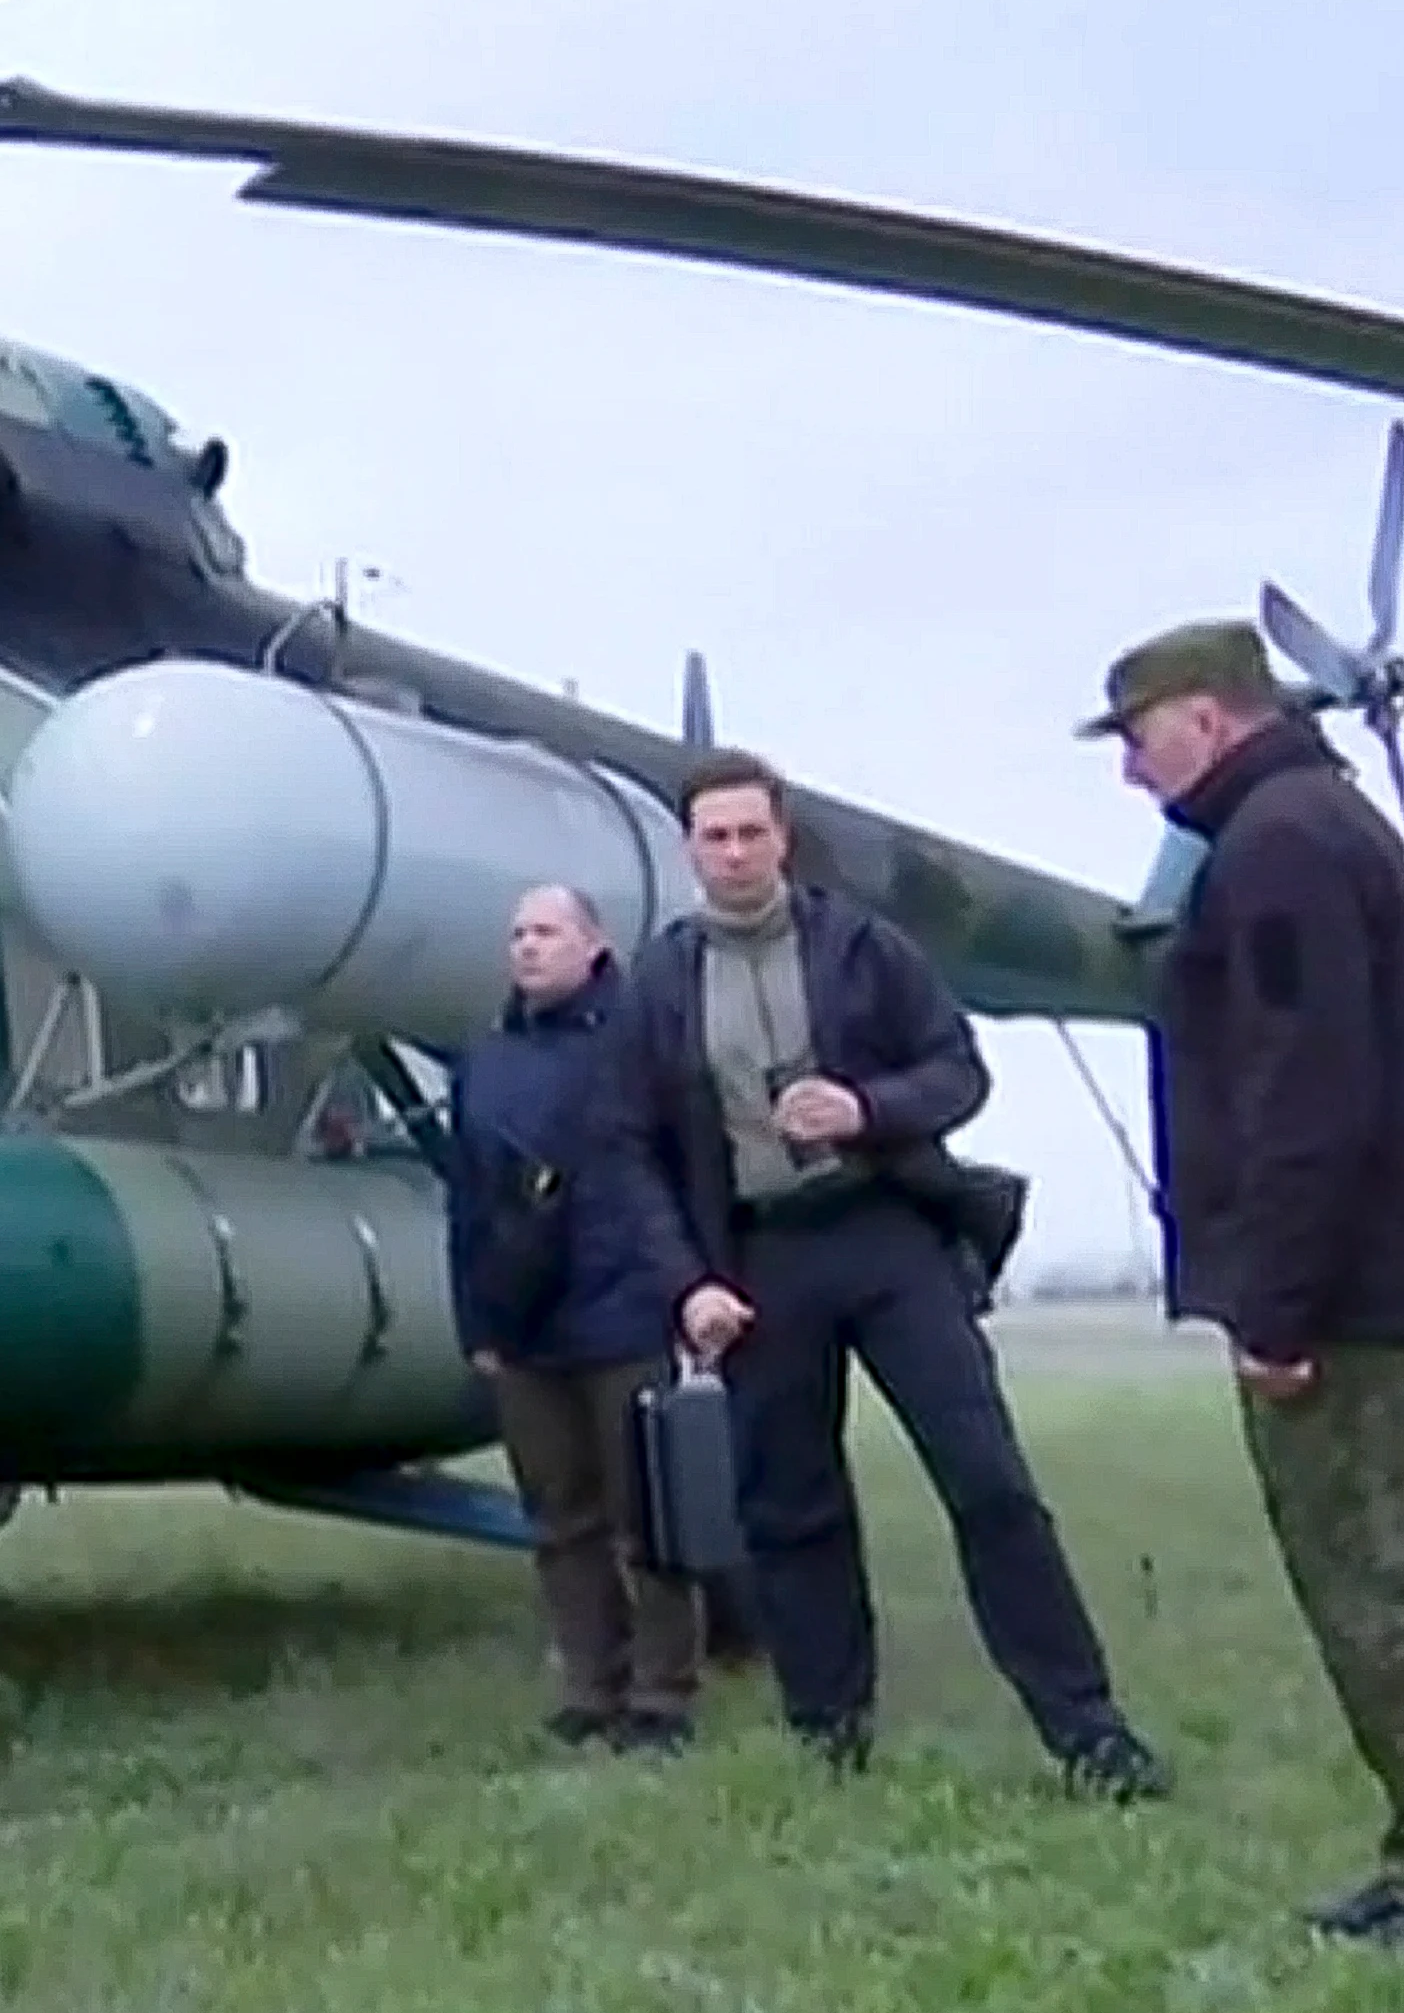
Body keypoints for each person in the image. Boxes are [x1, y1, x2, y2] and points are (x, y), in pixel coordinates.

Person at [608, 747, 1169, 1797]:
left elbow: (959, 1069)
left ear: (783, 838)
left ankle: (1088, 1729)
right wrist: (688, 1280)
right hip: (759, 1259)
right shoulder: (661, 979)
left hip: (884, 1234)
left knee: (988, 1477)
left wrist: (868, 1108)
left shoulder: (863, 947)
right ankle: (829, 1734)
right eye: (713, 837)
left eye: (750, 832)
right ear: (690, 850)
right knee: (791, 1505)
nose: (733, 852)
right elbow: (629, 1148)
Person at [1090, 617, 1404, 1944]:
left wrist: (1273, 1308)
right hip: (1361, 1269)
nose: (1128, 771)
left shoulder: (1276, 848)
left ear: (1206, 716)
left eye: (1136, 736)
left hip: (1337, 1288)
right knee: (1378, 1569)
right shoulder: (1311, 826)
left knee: (1363, 1576)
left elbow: (1305, 1093)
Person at [445, 883, 705, 1756]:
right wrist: (476, 1320)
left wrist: (684, 1290)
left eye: (546, 931)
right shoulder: (483, 1060)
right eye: (517, 932)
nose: (527, 947)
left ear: (594, 945)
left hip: (625, 1310)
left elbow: (677, 1171)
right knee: (558, 1514)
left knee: (649, 1513)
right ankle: (590, 1685)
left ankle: (663, 1693)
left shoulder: (640, 1045)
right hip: (526, 1323)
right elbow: (468, 1200)